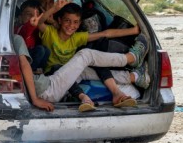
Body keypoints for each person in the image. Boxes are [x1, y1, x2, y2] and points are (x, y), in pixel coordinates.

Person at [32, 0, 149, 108]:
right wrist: (54, 9)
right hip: (54, 77)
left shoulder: (77, 37)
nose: (71, 26)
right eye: (67, 21)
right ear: (59, 20)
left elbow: (105, 34)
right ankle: (130, 58)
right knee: (82, 55)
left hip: (72, 76)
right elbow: (40, 22)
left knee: (97, 65)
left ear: (79, 24)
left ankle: (135, 77)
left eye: (75, 22)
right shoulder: (50, 33)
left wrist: (133, 30)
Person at [15, 34, 147, 112]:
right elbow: (24, 65)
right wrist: (35, 99)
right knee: (85, 54)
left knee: (82, 71)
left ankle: (134, 77)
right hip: (46, 89)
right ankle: (131, 58)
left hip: (46, 86)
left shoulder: (0, 39)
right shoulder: (15, 38)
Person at [14, 0, 50, 73]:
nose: (33, 18)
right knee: (40, 49)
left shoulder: (38, 29)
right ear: (20, 17)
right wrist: (31, 25)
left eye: (37, 15)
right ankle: (30, 72)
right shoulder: (19, 28)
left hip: (33, 54)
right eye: (29, 14)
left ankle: (40, 70)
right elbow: (25, 32)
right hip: (22, 55)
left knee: (46, 50)